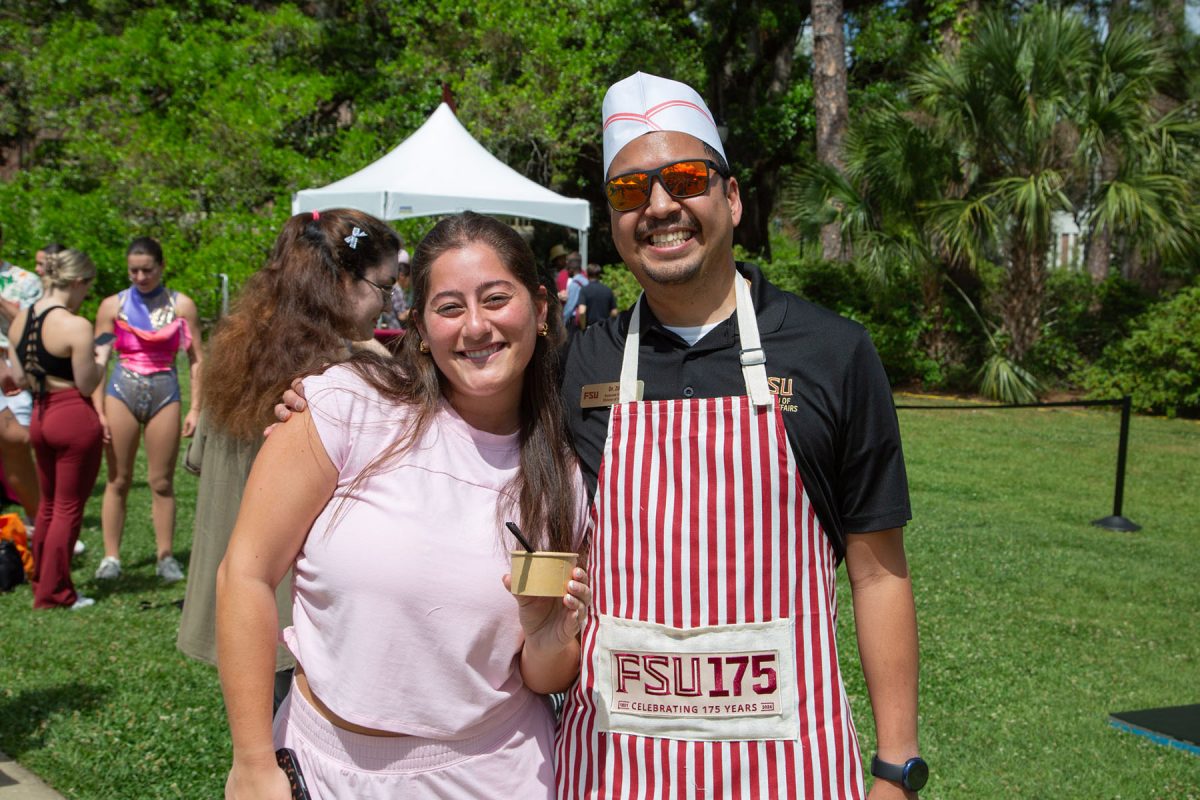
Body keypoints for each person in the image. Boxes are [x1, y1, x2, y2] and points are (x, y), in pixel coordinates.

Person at [552, 73, 923, 798]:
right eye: (630, 191)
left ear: (732, 197)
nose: (660, 206)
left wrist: (896, 768)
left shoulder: (833, 351)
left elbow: (878, 570)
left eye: (685, 178)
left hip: (788, 765)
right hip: (616, 768)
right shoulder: (581, 361)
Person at [219, 211, 592, 799]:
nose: (475, 326)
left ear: (541, 310)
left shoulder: (565, 472)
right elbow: (244, 572)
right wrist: (251, 762)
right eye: (448, 307)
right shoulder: (348, 405)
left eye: (497, 298)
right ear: (418, 325)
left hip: (497, 776)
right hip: (322, 772)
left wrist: (547, 636)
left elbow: (544, 674)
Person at [177, 209, 401, 707]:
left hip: (236, 601)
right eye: (384, 288)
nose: (387, 307)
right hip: (302, 614)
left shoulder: (233, 346)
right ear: (343, 281)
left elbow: (199, 460)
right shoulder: (340, 375)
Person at [92, 237, 203, 583]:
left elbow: (197, 359)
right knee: (118, 479)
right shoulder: (112, 306)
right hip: (122, 388)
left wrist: (196, 408)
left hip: (164, 389)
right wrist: (96, 407)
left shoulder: (182, 305)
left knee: (161, 481)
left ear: (161, 267)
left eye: (147, 270)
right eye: (133, 270)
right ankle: (111, 556)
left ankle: (165, 556)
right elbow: (99, 358)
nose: (140, 277)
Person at [7, 249, 105, 609]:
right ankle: (57, 592)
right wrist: (102, 360)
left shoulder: (21, 319)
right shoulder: (75, 325)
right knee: (67, 507)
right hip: (72, 416)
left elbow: (18, 377)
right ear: (78, 282)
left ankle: (42, 581)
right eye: (87, 287)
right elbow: (85, 383)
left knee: (47, 504)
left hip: (39, 413)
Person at [0, 223, 45, 527]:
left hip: (13, 369)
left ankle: (39, 521)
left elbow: (34, 325)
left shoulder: (24, 281)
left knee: (20, 442)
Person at [574, 263, 617, 331]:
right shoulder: (608, 290)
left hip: (590, 329)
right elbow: (614, 312)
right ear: (599, 275)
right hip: (604, 329)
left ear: (587, 274)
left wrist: (583, 328)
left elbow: (582, 311)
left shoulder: (584, 290)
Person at [560, 252, 588, 334]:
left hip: (575, 321)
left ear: (571, 269)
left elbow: (570, 306)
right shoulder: (586, 281)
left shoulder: (574, 283)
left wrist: (562, 322)